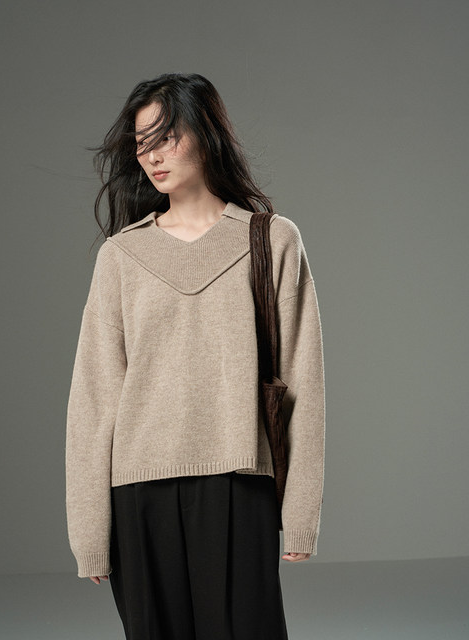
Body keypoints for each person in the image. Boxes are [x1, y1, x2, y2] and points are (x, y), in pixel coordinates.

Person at [65, 72, 325, 640]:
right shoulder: (121, 256)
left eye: (165, 137)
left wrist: (301, 513)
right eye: (142, 143)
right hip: (139, 491)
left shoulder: (272, 240)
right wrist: (88, 531)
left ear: (206, 135)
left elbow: (303, 382)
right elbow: (94, 398)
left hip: (240, 480)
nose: (151, 156)